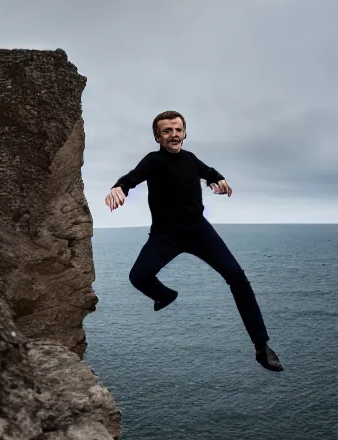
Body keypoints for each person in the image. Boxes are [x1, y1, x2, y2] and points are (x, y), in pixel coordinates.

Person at [104, 110, 283, 372]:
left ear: (185, 133)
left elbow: (209, 171)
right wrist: (118, 187)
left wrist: (217, 180)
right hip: (165, 235)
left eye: (177, 130)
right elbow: (131, 178)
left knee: (237, 277)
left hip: (199, 231)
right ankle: (164, 295)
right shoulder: (153, 161)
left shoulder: (190, 159)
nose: (173, 135)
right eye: (167, 131)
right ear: (158, 136)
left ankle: (261, 347)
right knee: (138, 276)